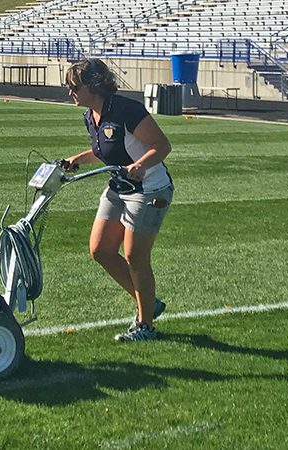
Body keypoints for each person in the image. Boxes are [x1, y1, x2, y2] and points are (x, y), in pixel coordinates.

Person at [63, 58, 174, 342]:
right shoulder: (91, 115)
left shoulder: (127, 110)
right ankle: (148, 302)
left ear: (94, 86)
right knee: (100, 249)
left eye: (74, 86)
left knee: (135, 257)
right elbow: (105, 150)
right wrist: (79, 158)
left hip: (149, 189)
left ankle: (145, 325)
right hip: (119, 188)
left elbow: (162, 146)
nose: (70, 92)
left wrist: (140, 166)